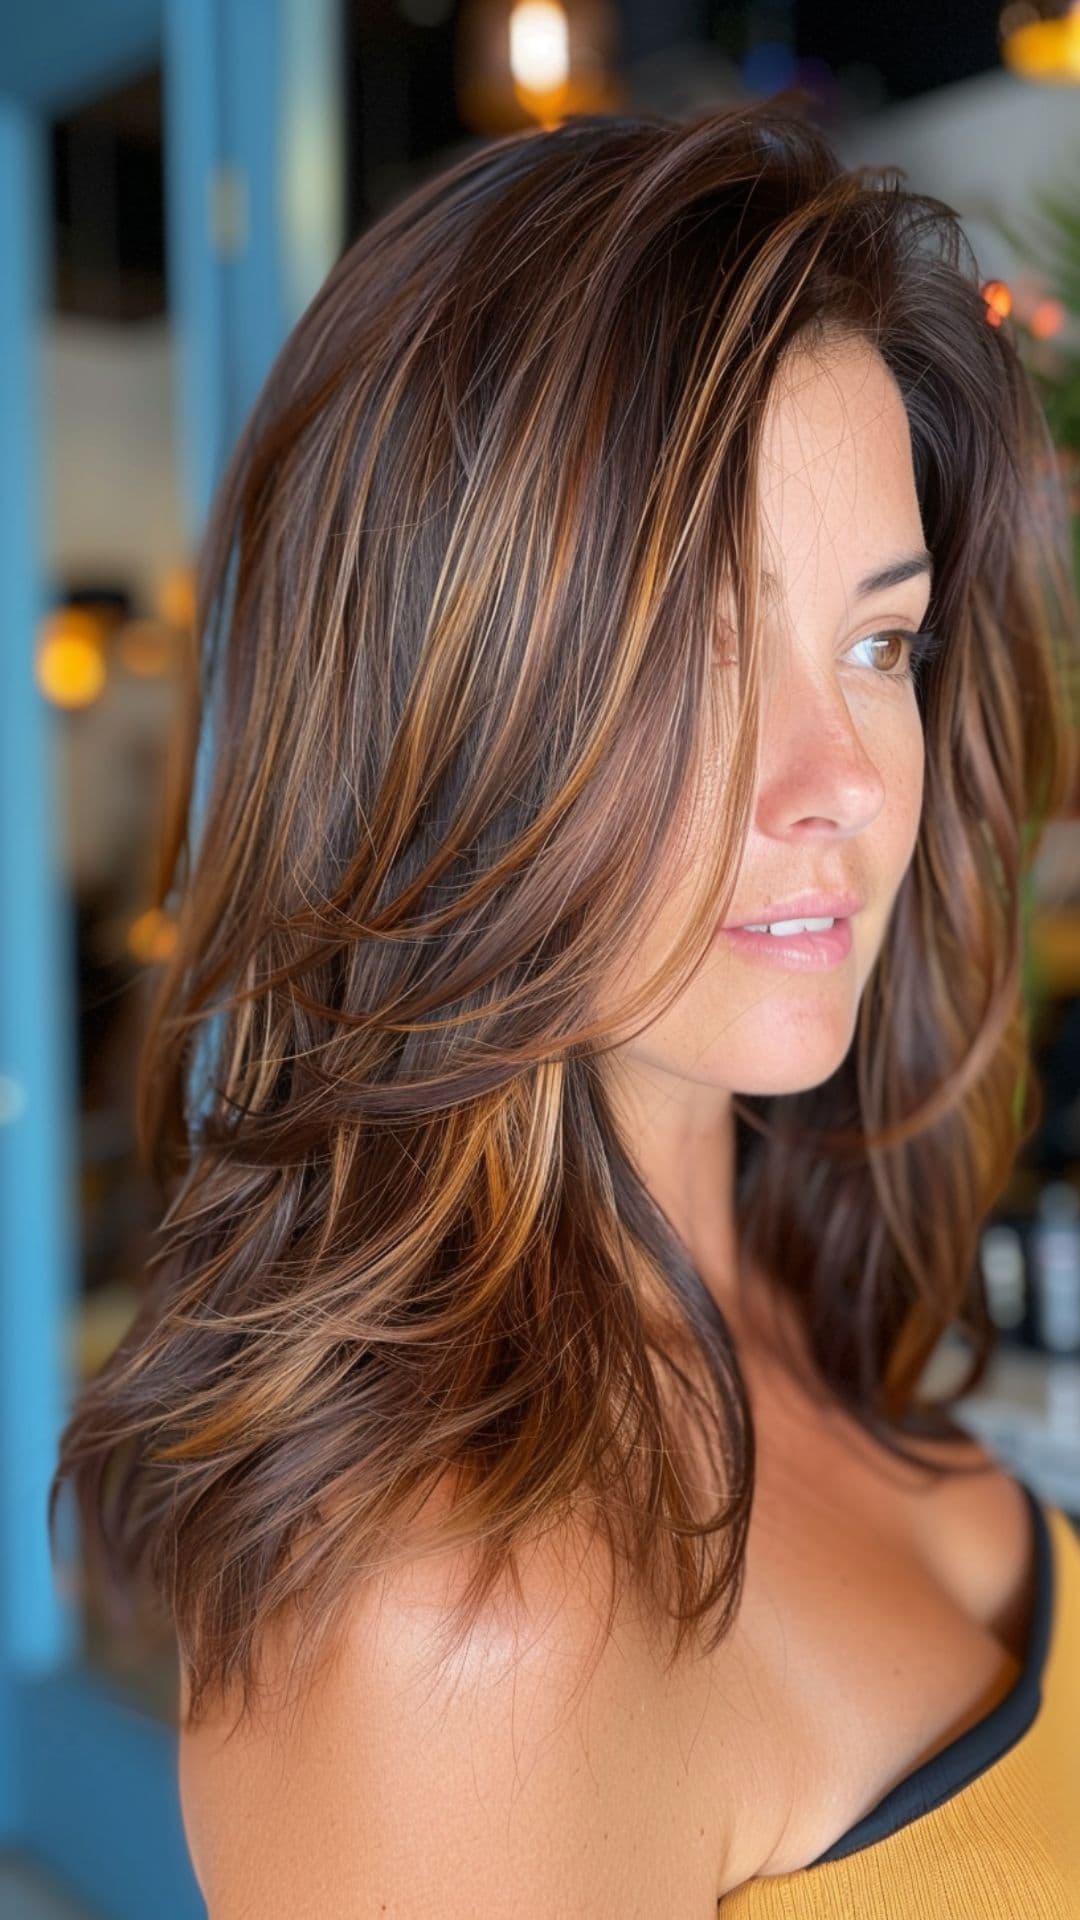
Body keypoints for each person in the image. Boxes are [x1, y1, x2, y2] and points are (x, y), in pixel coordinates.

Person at [50, 101, 1080, 1915]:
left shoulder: (801, 1268)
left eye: (878, 643)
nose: (838, 779)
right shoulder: (451, 1631)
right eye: (698, 649)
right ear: (441, 717)